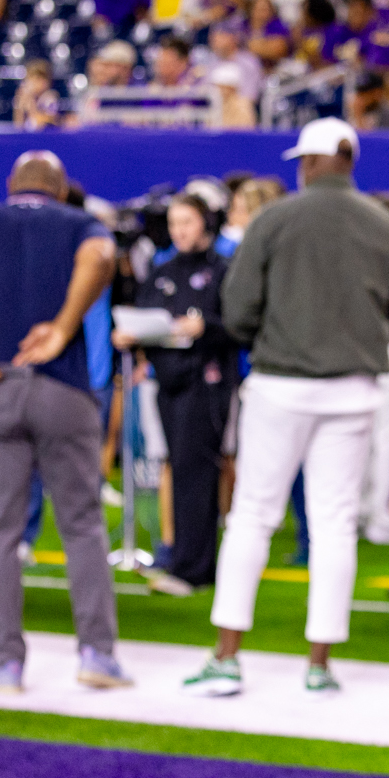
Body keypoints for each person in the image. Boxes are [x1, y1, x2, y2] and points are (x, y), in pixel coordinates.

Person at [186, 118, 389, 697]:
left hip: (280, 384)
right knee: (335, 524)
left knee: (252, 517)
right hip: (355, 388)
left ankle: (226, 657)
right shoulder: (387, 226)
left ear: (310, 162)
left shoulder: (275, 218)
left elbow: (237, 310)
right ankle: (318, 666)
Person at [0, 150, 129, 694]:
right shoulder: (80, 222)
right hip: (63, 387)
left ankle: (7, 663)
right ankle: (97, 655)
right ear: (60, 190)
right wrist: (62, 327)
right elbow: (100, 254)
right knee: (81, 523)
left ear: (11, 185)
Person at [116, 193, 238, 597]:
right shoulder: (163, 270)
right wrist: (131, 336)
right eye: (173, 223)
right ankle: (184, 559)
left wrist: (205, 328)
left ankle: (195, 567)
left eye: (186, 222)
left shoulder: (224, 269)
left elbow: (240, 323)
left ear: (206, 222)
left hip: (207, 383)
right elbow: (147, 316)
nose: (179, 231)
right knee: (179, 469)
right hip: (167, 383)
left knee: (198, 473)